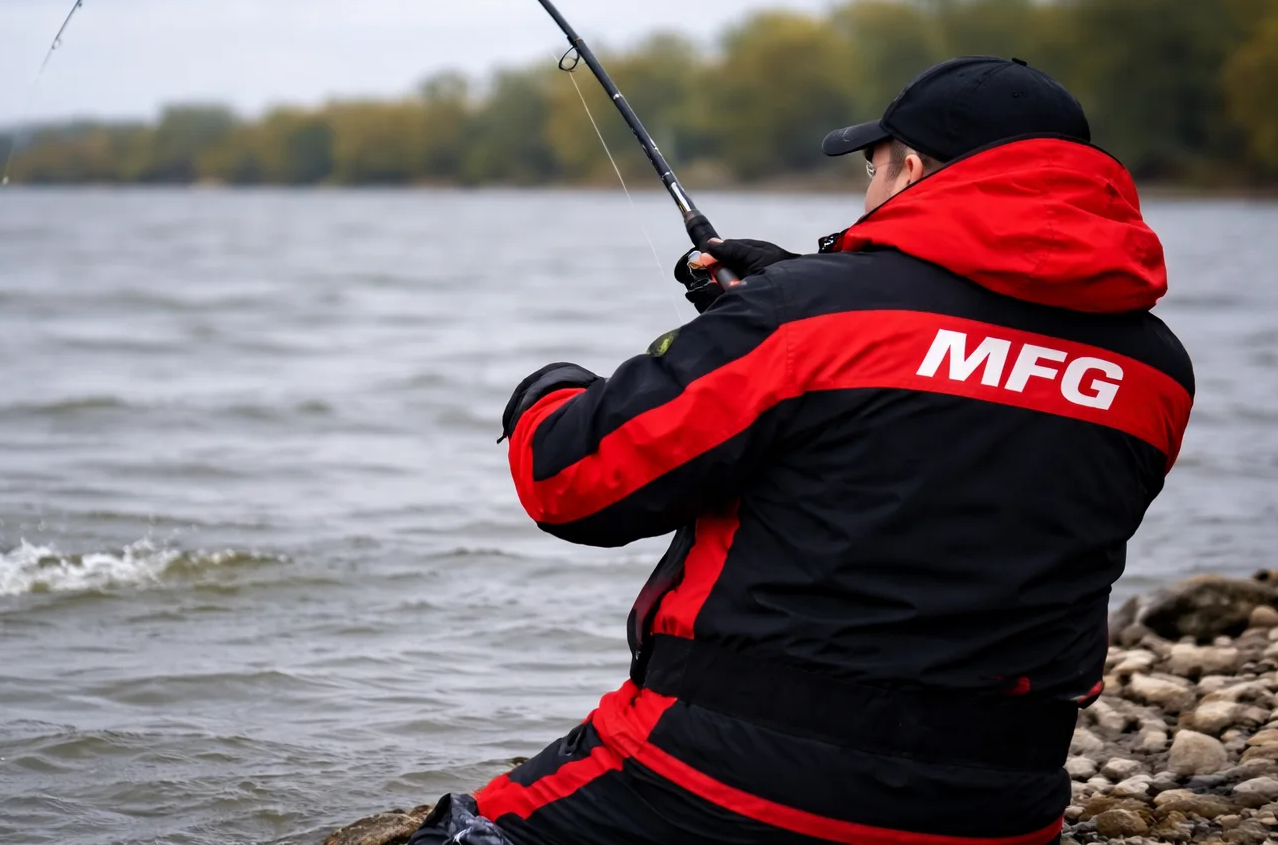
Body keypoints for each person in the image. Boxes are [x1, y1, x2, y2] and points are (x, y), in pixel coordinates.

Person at [411, 56, 1194, 845]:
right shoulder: (1160, 371)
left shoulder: (809, 317)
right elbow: (970, 431)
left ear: (911, 168)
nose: (868, 186)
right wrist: (799, 290)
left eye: (872, 165)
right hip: (1001, 811)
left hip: (730, 787)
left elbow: (571, 483)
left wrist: (545, 391)